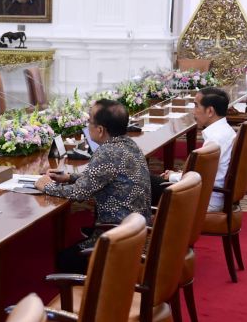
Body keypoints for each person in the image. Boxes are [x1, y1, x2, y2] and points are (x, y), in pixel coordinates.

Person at [35, 99, 151, 273]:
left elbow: (80, 194)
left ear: (100, 130)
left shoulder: (107, 152)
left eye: (89, 121)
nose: (87, 125)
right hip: (136, 233)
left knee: (64, 260)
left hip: (118, 240)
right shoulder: (129, 144)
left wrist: (46, 187)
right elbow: (107, 176)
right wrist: (69, 177)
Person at [155, 87, 236, 212]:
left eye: (196, 106)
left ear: (210, 111)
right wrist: (177, 174)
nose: (193, 112)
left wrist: (172, 176)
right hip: (211, 193)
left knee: (144, 182)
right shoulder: (226, 130)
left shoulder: (215, 140)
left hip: (205, 199)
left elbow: (198, 178)